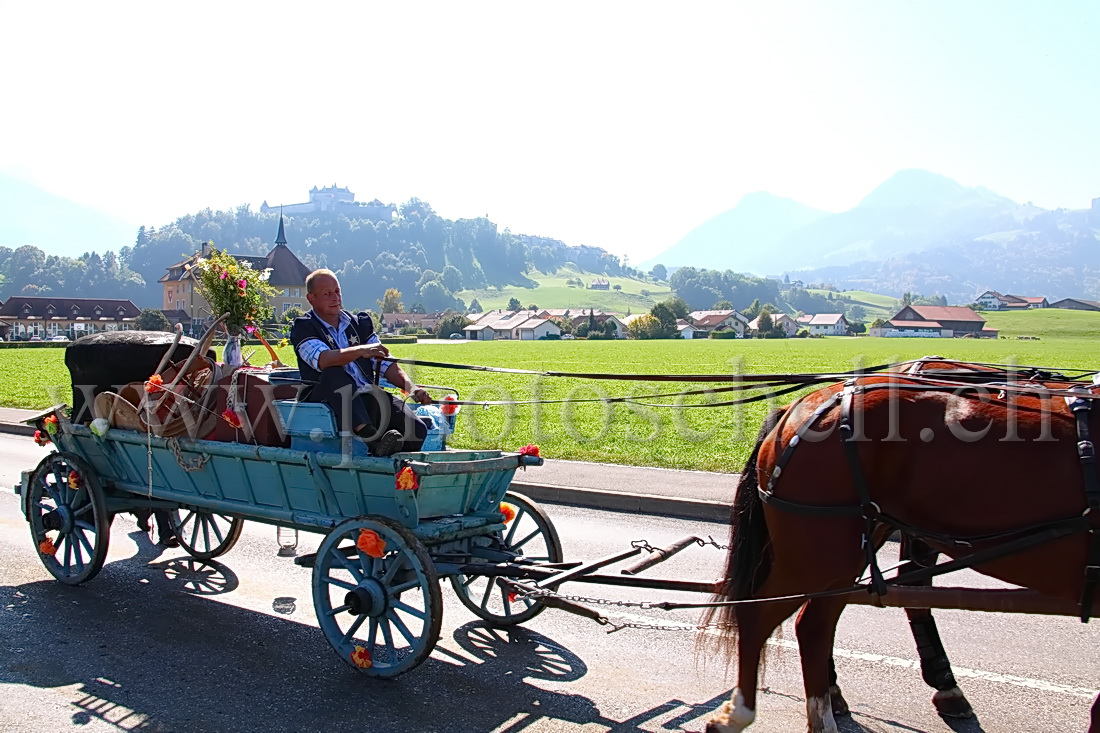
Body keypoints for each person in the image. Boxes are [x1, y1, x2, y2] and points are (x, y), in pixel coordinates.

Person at [290, 269, 432, 455]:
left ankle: (387, 460)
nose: (335, 297)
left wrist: (412, 388)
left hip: (366, 395)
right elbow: (323, 360)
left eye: (337, 291)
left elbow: (384, 363)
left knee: (417, 429)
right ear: (311, 298)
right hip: (327, 398)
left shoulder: (359, 323)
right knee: (333, 373)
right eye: (327, 294)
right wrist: (362, 350)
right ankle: (371, 439)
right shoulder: (304, 327)